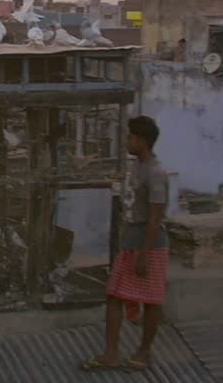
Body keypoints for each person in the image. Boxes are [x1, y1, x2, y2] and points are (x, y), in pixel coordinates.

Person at [83, 115, 169, 372]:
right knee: (113, 296)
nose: (126, 141)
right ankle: (111, 353)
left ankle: (144, 352)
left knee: (152, 300)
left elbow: (155, 217)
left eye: (130, 137)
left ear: (142, 141)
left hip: (149, 244)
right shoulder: (135, 167)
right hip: (131, 241)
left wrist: (143, 254)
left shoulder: (155, 173)